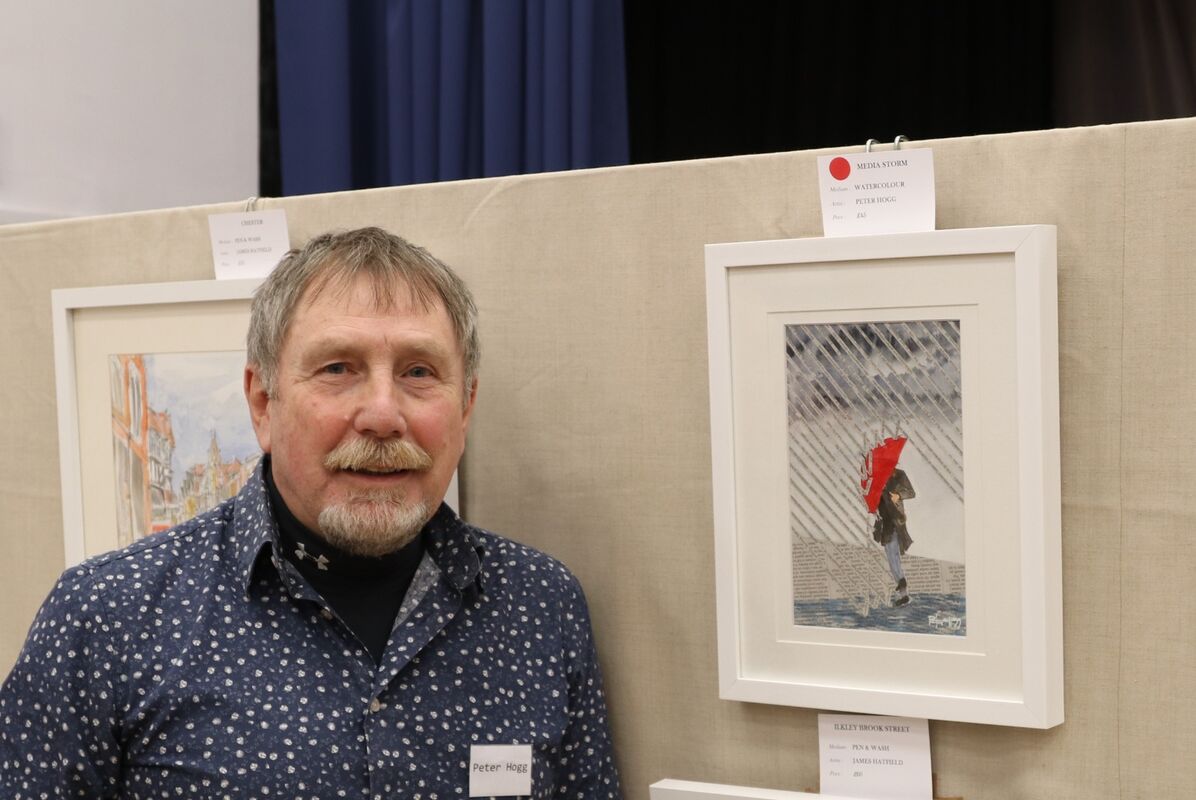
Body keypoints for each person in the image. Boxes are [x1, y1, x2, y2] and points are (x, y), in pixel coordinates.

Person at [0, 228, 621, 798]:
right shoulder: (108, 617)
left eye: (419, 371)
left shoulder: (541, 607)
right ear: (263, 403)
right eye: (337, 369)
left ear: (464, 407)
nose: (383, 413)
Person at [872, 467, 915, 607]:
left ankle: (903, 589)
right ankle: (904, 594)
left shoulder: (898, 474)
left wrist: (898, 495)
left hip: (895, 521)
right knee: (891, 560)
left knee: (894, 557)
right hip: (884, 524)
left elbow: (911, 492)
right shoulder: (876, 478)